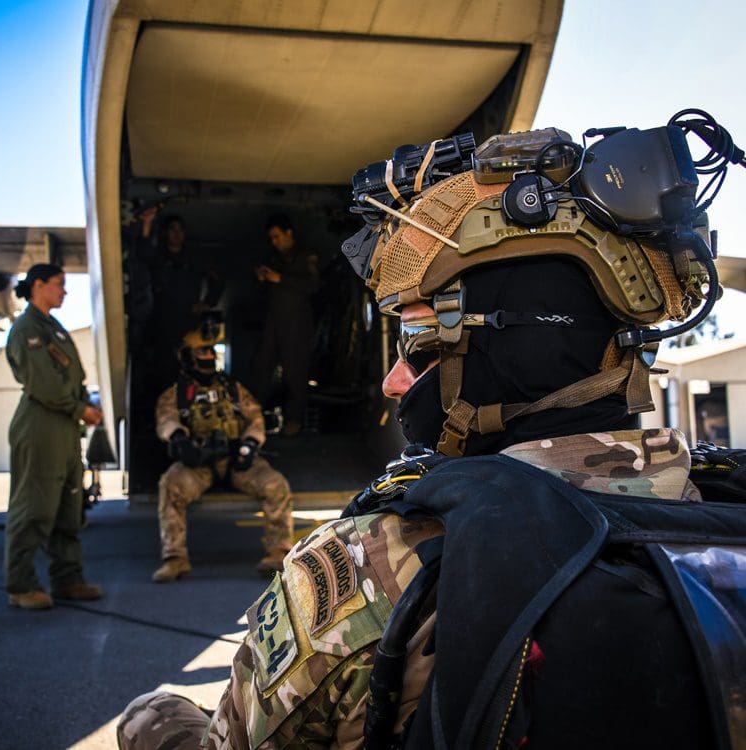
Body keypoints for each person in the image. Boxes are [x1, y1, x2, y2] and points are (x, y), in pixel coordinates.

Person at [118, 117, 746, 748]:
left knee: (150, 716)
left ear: (514, 348)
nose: (393, 382)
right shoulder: (724, 505)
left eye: (417, 342)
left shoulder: (365, 567)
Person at [152, 324, 293, 582]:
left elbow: (255, 417)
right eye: (202, 352)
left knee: (276, 485)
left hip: (237, 460)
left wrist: (250, 445)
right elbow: (166, 419)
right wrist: (179, 439)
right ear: (188, 357)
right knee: (170, 486)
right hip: (199, 464)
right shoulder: (177, 394)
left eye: (211, 351)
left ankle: (277, 553)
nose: (209, 356)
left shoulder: (233, 389)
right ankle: (175, 558)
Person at [4, 263, 103, 610]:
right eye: (59, 284)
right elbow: (44, 383)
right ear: (38, 285)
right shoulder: (28, 328)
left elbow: (71, 378)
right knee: (34, 506)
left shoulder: (53, 328)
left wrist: (82, 407)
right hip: (41, 425)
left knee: (67, 507)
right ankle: (20, 585)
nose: (64, 291)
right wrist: (80, 409)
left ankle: (67, 579)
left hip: (64, 428)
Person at [137, 206, 224, 394]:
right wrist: (147, 223)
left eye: (180, 230)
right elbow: (144, 254)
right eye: (172, 230)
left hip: (189, 322)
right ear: (166, 233)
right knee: (164, 370)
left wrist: (207, 303)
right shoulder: (160, 257)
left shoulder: (195, 258)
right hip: (163, 323)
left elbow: (217, 281)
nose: (176, 234)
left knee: (190, 367)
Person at [252, 214, 319, 436]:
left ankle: (294, 421)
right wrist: (262, 279)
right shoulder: (271, 259)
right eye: (271, 238)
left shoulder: (306, 256)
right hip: (273, 324)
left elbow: (314, 285)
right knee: (262, 369)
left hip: (297, 326)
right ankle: (255, 418)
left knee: (295, 374)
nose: (275, 242)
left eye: (277, 236)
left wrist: (280, 279)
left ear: (289, 233)